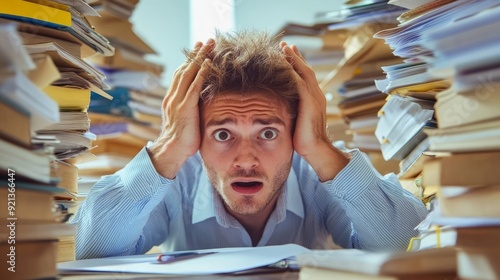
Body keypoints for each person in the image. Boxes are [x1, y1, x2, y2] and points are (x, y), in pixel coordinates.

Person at [71, 30, 427, 259]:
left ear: (294, 133)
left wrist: (319, 144)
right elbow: (94, 250)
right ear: (195, 136)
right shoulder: (176, 174)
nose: (246, 158)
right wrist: (168, 146)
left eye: (268, 133)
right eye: (222, 134)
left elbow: (406, 246)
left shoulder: (316, 172)